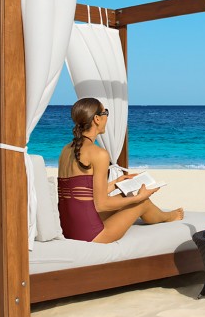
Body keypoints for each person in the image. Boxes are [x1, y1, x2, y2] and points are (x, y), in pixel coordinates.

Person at [58, 97, 183, 243]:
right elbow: (101, 204)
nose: (107, 117)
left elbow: (80, 192)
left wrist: (116, 182)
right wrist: (138, 197)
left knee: (125, 196)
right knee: (142, 203)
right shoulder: (99, 154)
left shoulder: (66, 150)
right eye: (106, 112)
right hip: (90, 234)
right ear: (97, 119)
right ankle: (169, 217)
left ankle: (161, 214)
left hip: (68, 228)